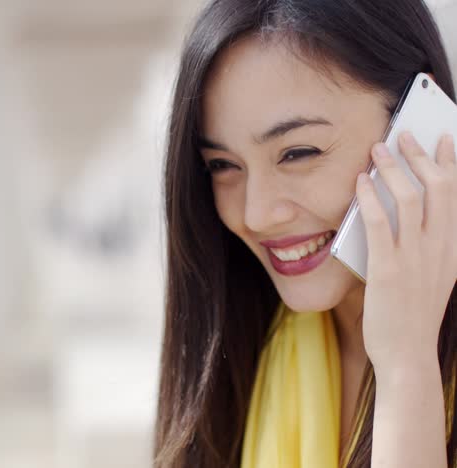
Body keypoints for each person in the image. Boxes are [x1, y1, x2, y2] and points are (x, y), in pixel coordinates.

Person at [152, 1, 457, 467]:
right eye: (222, 165)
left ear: (418, 118)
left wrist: (406, 369)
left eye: (297, 153)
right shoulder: (242, 346)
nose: (256, 215)